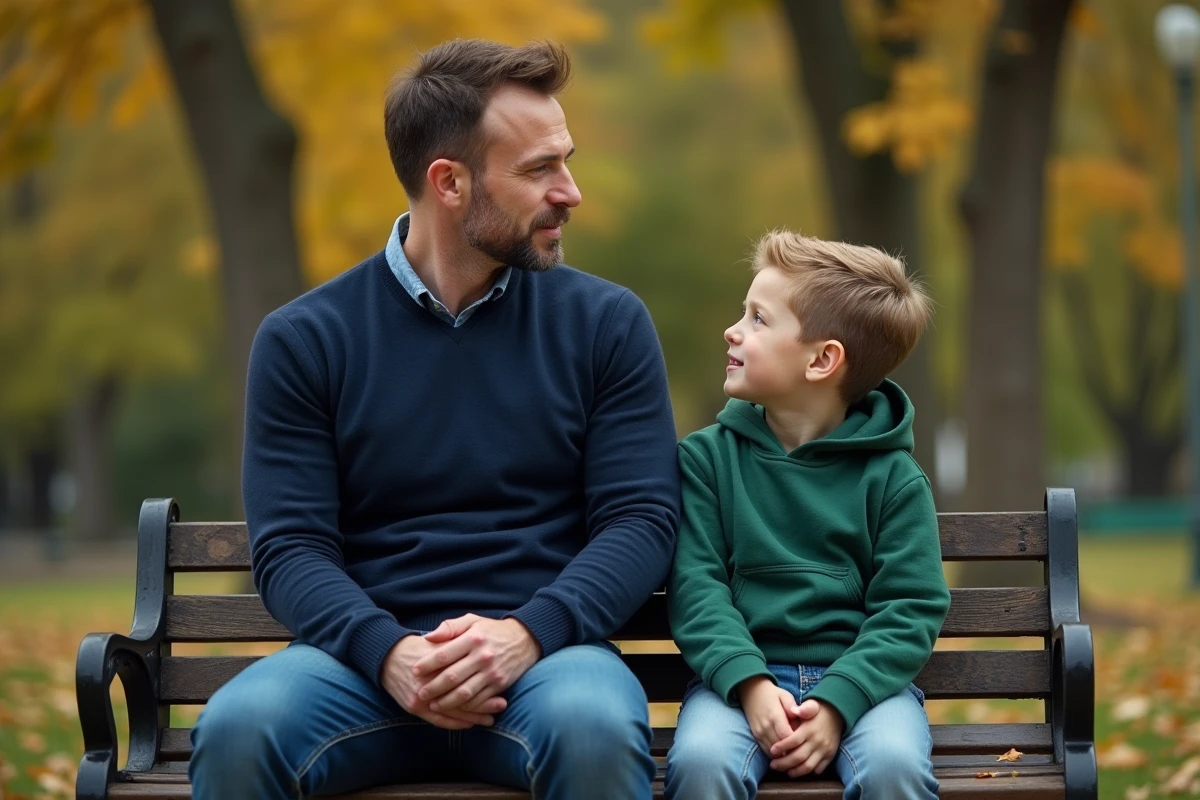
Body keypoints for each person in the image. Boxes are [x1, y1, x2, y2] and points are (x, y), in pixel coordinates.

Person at [188, 39, 680, 800]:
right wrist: (391, 654)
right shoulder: (305, 339)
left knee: (593, 727)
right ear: (448, 183)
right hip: (358, 670)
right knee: (238, 728)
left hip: (549, 664)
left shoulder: (606, 324)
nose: (570, 192)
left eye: (567, 160)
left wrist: (526, 636)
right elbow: (290, 548)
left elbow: (642, 519)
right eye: (539, 169)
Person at [664, 231, 951, 799]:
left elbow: (910, 607)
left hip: (865, 692)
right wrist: (749, 684)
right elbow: (696, 587)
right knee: (700, 764)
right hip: (737, 685)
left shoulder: (893, 479)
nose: (733, 329)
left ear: (822, 360)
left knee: (894, 768)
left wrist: (839, 702)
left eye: (758, 319)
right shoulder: (707, 461)